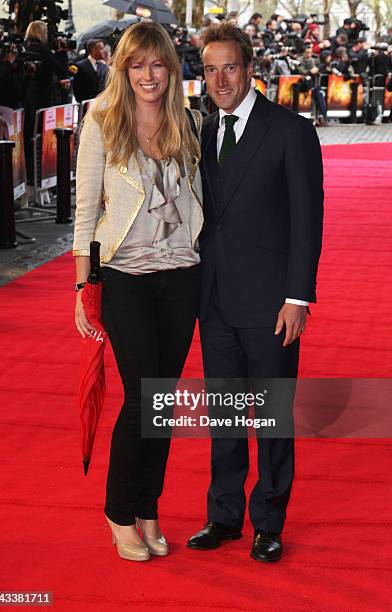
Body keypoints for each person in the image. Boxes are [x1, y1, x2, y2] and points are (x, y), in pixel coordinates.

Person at [187, 22, 323, 562]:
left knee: (269, 417)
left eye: (229, 67)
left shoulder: (290, 131)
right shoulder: (198, 131)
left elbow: (307, 223)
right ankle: (223, 515)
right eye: (210, 69)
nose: (220, 79)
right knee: (224, 415)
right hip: (213, 299)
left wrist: (298, 298)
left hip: (271, 304)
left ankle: (269, 522)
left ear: (250, 69)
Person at [73, 22, 203, 562]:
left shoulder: (187, 120)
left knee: (163, 402)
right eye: (137, 65)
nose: (148, 76)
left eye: (157, 65)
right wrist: (83, 285)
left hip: (183, 274)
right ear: (123, 69)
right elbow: (84, 211)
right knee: (141, 397)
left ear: (170, 69)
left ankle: (148, 506)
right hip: (125, 275)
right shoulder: (101, 119)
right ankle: (118, 511)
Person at [22, 20, 68, 187]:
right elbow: (62, 69)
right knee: (40, 140)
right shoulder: (43, 50)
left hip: (26, 102)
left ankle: (29, 176)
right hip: (41, 102)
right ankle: (39, 177)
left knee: (28, 139)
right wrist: (62, 51)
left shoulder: (25, 48)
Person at [72, 39, 108, 103]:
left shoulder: (103, 66)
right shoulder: (80, 66)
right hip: (87, 107)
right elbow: (76, 89)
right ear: (93, 50)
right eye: (101, 48)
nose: (104, 51)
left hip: (102, 105)